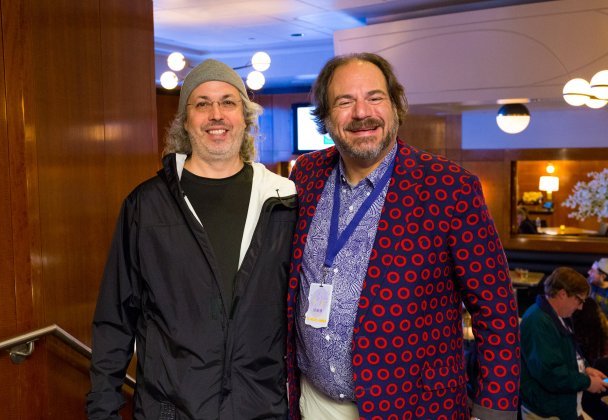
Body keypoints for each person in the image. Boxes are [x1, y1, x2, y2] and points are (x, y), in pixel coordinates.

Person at [286, 52, 520, 420]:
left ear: (396, 106)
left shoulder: (450, 188)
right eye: (345, 101)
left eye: (375, 97)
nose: (362, 113)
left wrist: (494, 410)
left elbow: (496, 309)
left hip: (414, 407)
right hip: (313, 402)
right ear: (326, 118)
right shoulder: (306, 174)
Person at [86, 59, 297, 419]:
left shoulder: (283, 201)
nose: (216, 114)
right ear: (185, 121)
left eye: (228, 102)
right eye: (202, 104)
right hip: (171, 410)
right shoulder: (146, 205)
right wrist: (103, 410)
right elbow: (115, 318)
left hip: (261, 408)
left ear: (245, 117)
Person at [520, 267, 608, 420]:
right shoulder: (538, 321)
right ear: (562, 294)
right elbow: (550, 373)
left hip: (565, 407)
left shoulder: (558, 315)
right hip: (547, 412)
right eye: (579, 300)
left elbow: (570, 352)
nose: (580, 307)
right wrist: (587, 383)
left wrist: (586, 368)